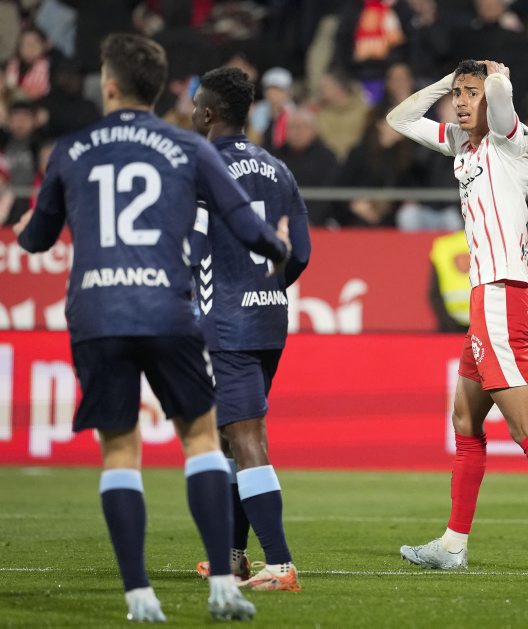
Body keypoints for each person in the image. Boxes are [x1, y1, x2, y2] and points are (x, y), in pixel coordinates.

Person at [14, 33, 291, 623]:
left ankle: (139, 594)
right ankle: (224, 584)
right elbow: (247, 224)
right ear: (161, 88)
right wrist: (276, 248)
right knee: (201, 440)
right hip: (166, 308)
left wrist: (20, 228)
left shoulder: (70, 148)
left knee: (121, 450)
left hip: (97, 313)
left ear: (109, 84)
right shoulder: (187, 146)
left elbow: (37, 238)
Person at [387, 58, 528, 574]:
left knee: (527, 426)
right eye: (458, 94)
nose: (462, 102)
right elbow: (399, 119)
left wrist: (495, 79)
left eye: (471, 93)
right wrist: (449, 81)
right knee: (465, 419)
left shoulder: (510, 141)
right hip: (485, 298)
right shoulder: (460, 145)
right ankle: (452, 545)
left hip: (502, 294)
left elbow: (500, 99)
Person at [189, 66, 311, 592]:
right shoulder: (278, 168)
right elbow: (300, 252)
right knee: (231, 436)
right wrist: (268, 286)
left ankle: (279, 564)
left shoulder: (202, 165)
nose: (191, 114)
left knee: (244, 435)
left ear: (209, 113)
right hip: (269, 316)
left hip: (225, 319)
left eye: (195, 106)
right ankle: (233, 556)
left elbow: (192, 246)